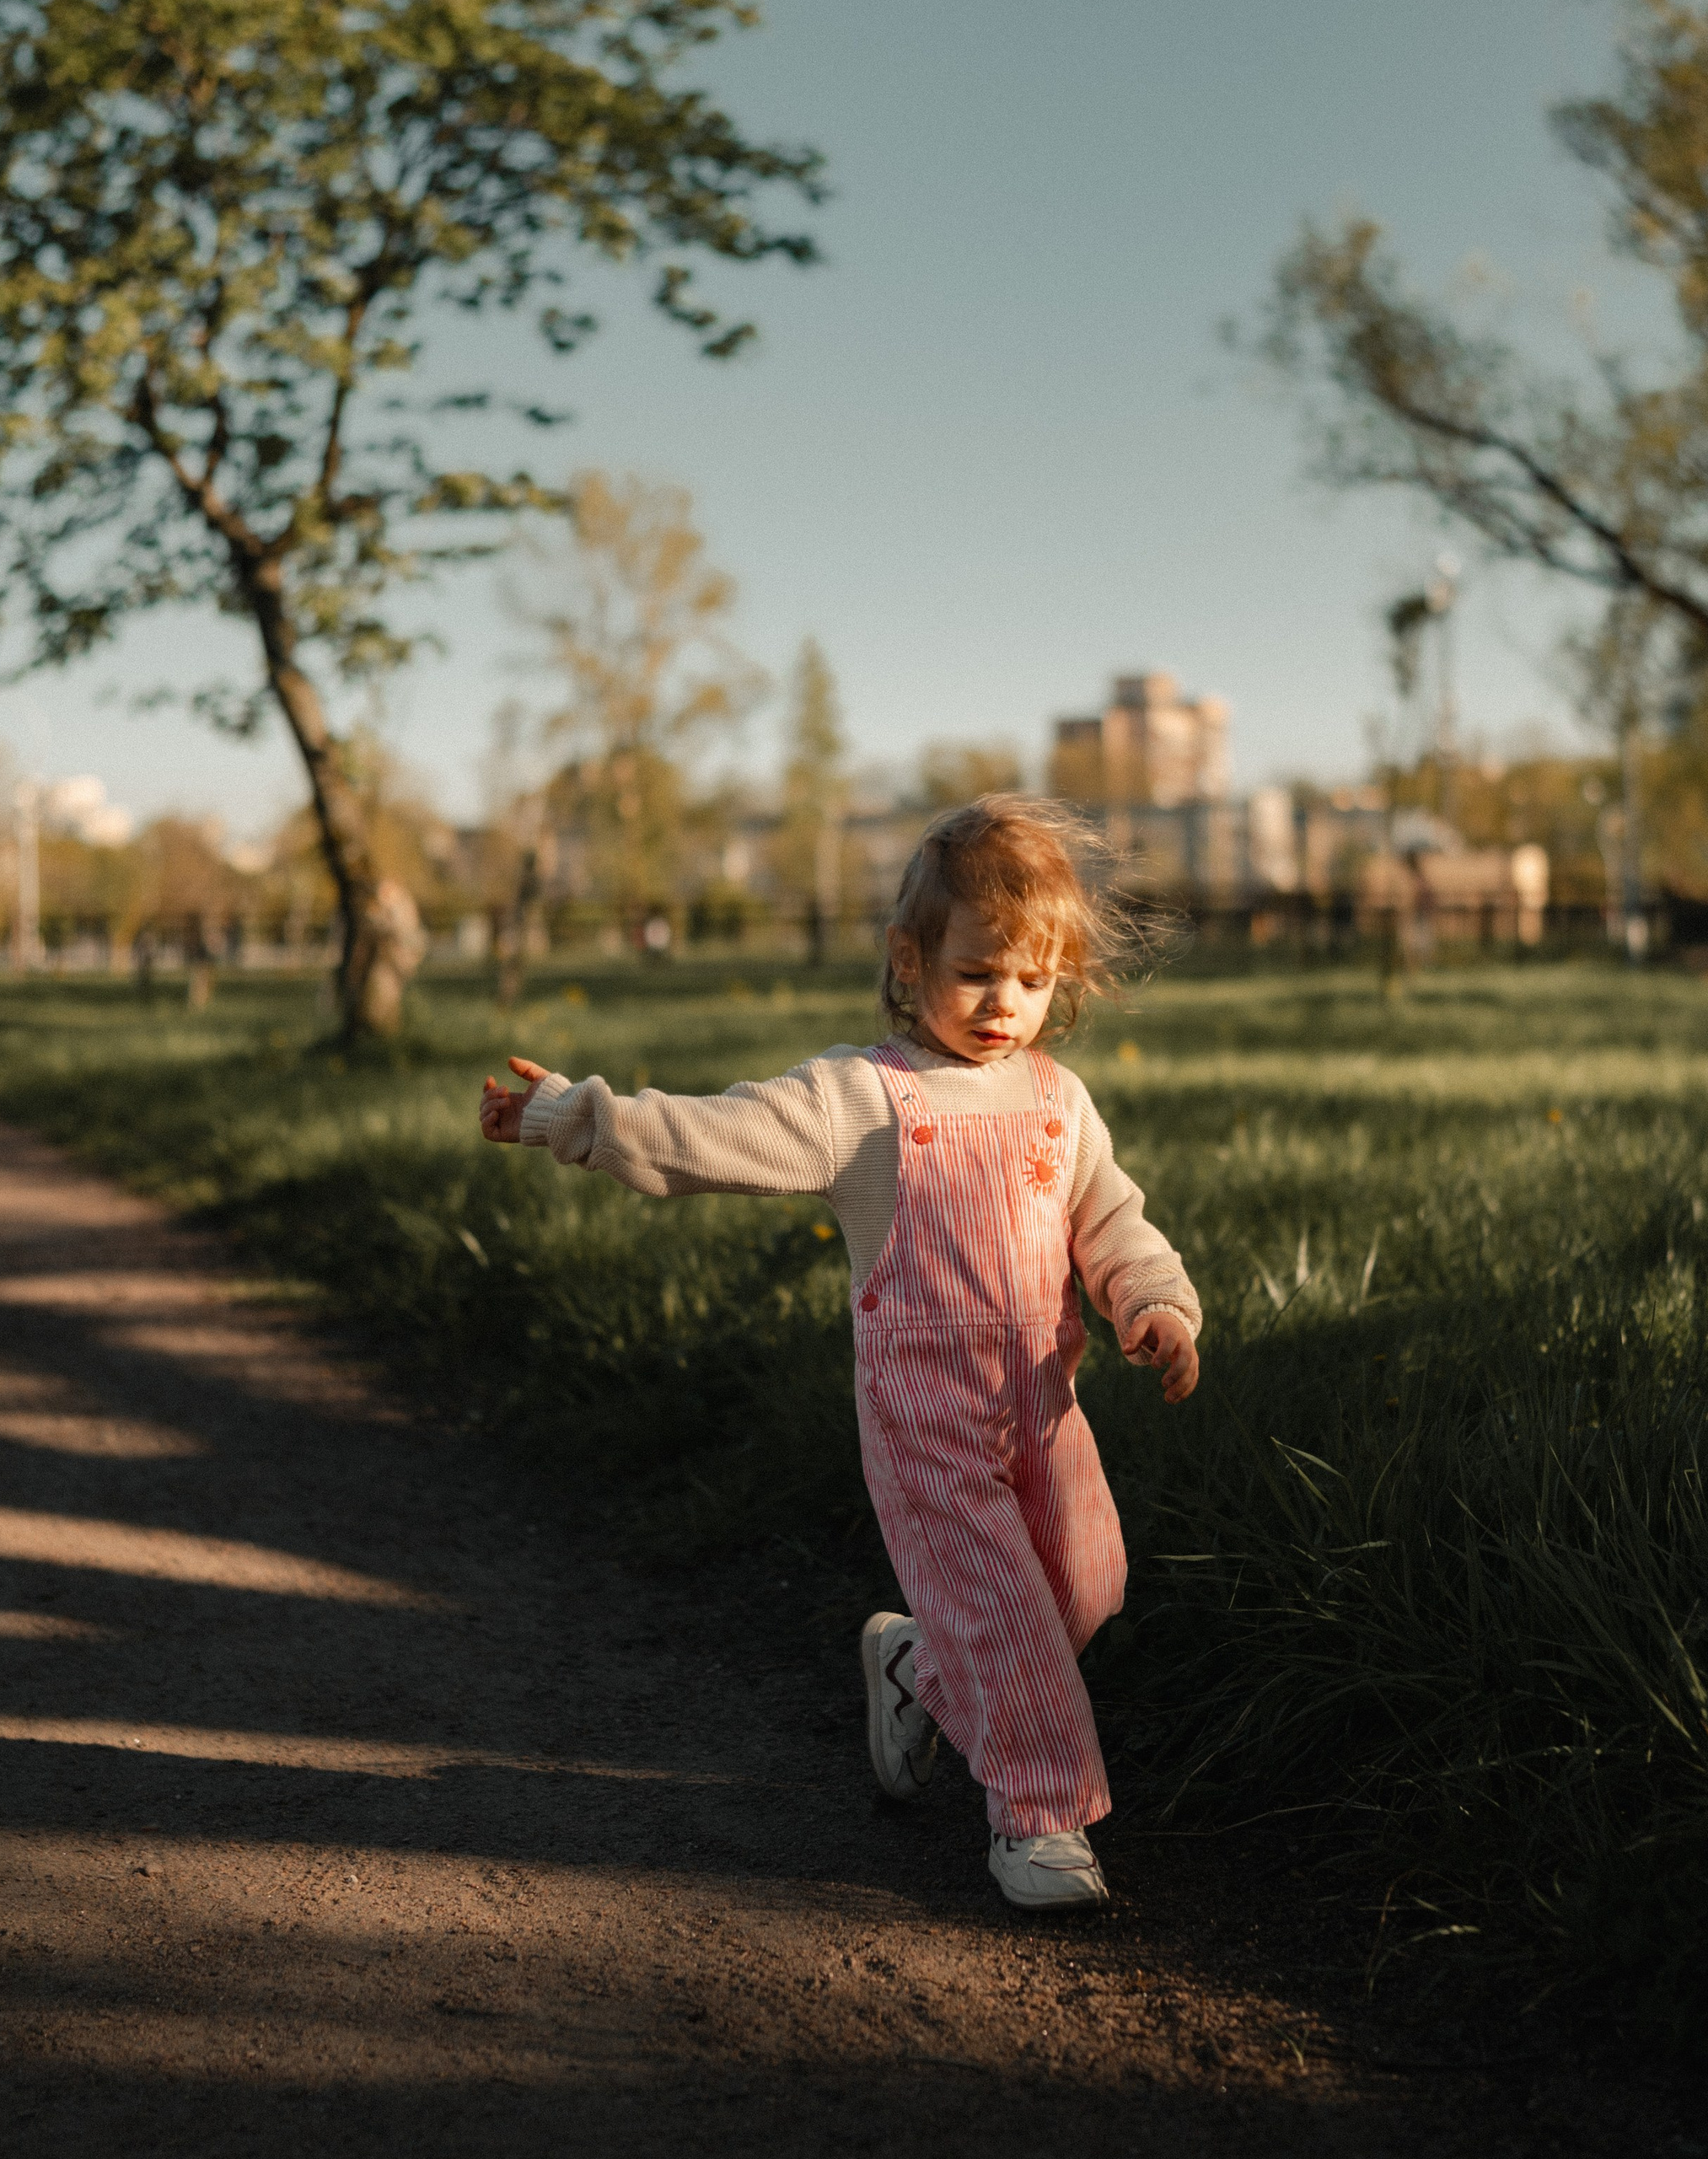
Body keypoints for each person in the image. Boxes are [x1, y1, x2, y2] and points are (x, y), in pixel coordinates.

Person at [477, 797, 1201, 1915]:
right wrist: (574, 1115)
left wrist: (1155, 1302)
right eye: (977, 974)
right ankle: (1039, 1817)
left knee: (1085, 1589)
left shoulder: (1062, 1100)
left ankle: (916, 1667)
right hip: (927, 1419)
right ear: (910, 964)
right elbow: (710, 1134)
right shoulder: (864, 1099)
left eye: (1034, 978)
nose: (1006, 1003)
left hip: (1044, 1407)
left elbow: (1112, 1220)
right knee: (1008, 1615)